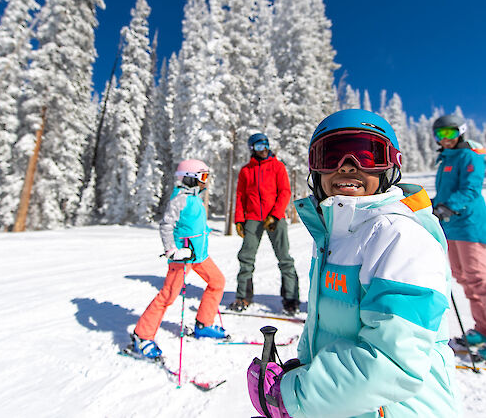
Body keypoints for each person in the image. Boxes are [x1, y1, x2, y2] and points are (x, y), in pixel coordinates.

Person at [247, 109, 459, 418]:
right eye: (330, 156)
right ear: (314, 170)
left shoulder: (400, 237)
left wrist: (291, 396)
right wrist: (309, 370)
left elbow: (391, 364)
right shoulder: (337, 237)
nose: (347, 166)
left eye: (367, 154)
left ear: (391, 165)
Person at [130, 159, 227, 359]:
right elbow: (166, 226)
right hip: (183, 258)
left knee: (217, 282)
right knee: (168, 296)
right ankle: (142, 336)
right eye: (203, 177)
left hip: (199, 256)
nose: (205, 182)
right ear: (191, 178)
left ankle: (203, 324)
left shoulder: (195, 198)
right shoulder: (180, 199)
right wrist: (172, 250)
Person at [432, 113, 486, 357]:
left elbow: (471, 189)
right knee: (463, 278)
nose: (445, 139)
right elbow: (444, 194)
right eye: (440, 134)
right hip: (451, 226)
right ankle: (481, 330)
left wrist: (448, 206)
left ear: (460, 131)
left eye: (450, 133)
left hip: (469, 226)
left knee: (477, 280)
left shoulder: (468, 156)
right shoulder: (445, 160)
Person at [229, 133, 299, 315]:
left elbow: (285, 192)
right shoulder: (246, 170)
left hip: (275, 218)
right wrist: (239, 219)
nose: (264, 149)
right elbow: (240, 196)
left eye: (266, 144)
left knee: (284, 258)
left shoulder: (278, 166)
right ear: (252, 149)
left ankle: (291, 299)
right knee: (246, 258)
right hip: (253, 217)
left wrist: (275, 216)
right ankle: (243, 296)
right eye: (259, 146)